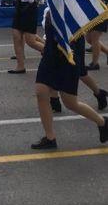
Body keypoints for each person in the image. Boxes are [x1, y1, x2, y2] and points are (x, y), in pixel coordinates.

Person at [31, 8, 108, 150]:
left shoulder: (74, 6)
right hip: (50, 53)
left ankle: (102, 122)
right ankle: (50, 138)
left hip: (68, 55)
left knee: (71, 103)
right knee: (41, 92)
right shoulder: (51, 5)